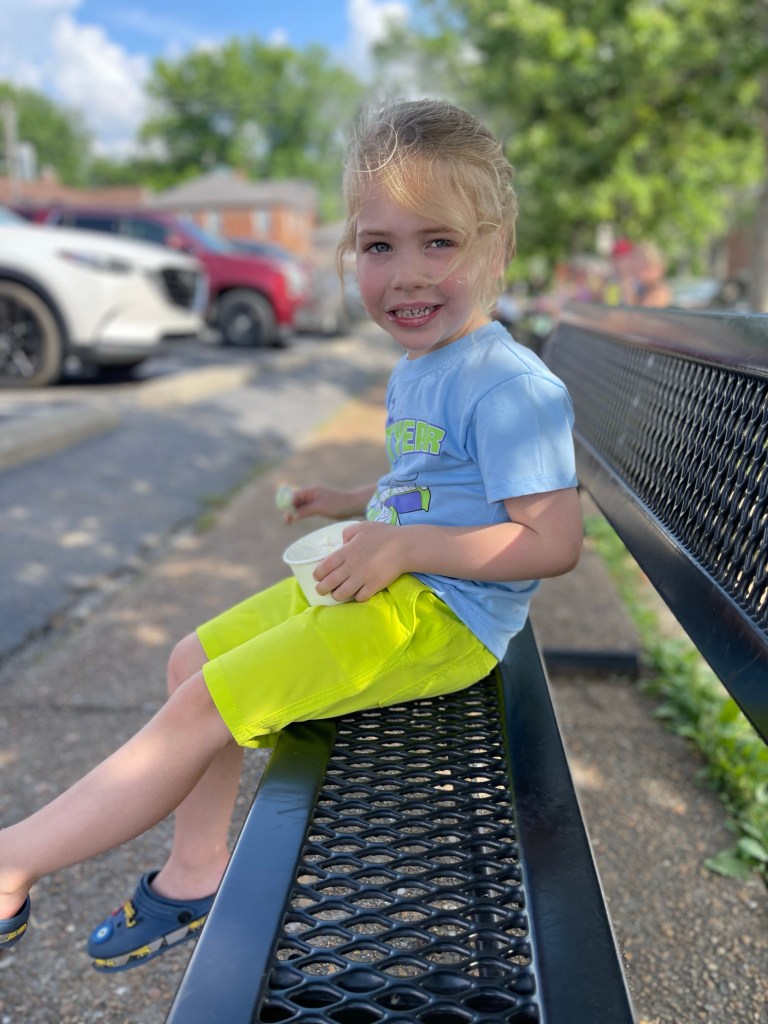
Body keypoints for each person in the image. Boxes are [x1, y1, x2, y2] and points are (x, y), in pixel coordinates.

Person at [0, 98, 583, 972]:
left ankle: (12, 863)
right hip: (394, 583)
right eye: (378, 247)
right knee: (191, 662)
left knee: (205, 707)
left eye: (440, 242)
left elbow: (553, 540)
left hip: (445, 619)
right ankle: (195, 872)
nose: (407, 275)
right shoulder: (424, 364)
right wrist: (350, 500)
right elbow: (432, 486)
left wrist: (406, 547)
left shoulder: (509, 385)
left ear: (496, 250)